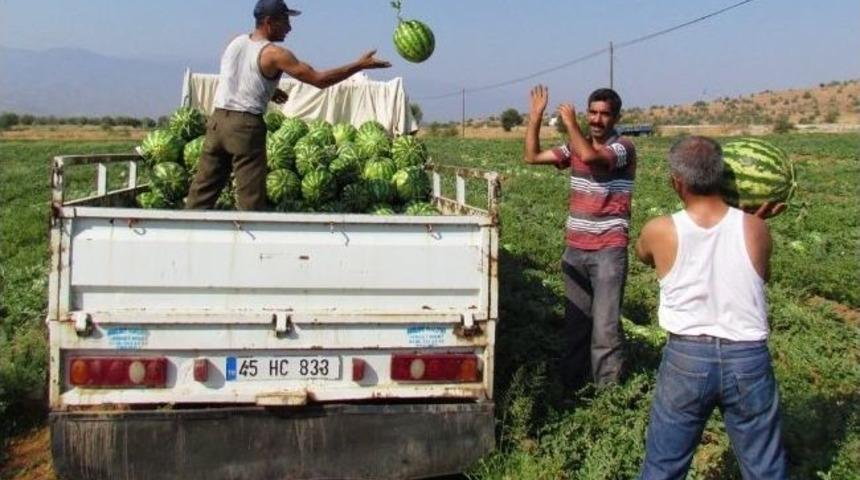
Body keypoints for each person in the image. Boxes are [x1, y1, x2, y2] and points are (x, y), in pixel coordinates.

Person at [635, 136, 788, 479]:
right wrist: (756, 221)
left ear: (677, 181)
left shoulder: (659, 230)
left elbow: (642, 255)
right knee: (765, 468)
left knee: (663, 466)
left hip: (687, 359)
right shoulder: (757, 230)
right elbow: (762, 273)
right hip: (748, 359)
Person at [186, 0, 391, 211]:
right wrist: (359, 65)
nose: (289, 28)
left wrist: (268, 89)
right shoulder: (275, 54)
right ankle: (252, 240)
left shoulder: (234, 42)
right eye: (284, 21)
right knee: (251, 200)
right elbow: (318, 79)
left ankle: (184, 233)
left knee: (202, 191)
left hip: (217, 122)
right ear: (268, 22)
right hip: (245, 128)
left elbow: (237, 73)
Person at [523, 85, 637, 388]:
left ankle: (607, 396)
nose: (597, 120)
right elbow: (531, 156)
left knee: (605, 328)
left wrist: (571, 124)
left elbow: (589, 156)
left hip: (609, 251)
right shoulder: (575, 144)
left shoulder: (623, 147)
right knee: (575, 326)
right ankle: (572, 387)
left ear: (616, 117)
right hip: (575, 249)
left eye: (604, 114)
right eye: (593, 113)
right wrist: (535, 117)